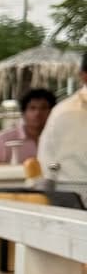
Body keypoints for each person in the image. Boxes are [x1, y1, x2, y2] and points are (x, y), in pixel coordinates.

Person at [39, 55, 87, 195]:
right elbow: (47, 163)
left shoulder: (61, 111)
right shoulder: (65, 112)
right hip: (74, 191)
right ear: (84, 76)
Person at [0, 88, 55, 164]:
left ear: (53, 112)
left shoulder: (59, 138)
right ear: (23, 113)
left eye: (43, 108)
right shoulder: (2, 140)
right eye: (32, 108)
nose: (37, 113)